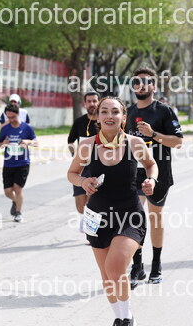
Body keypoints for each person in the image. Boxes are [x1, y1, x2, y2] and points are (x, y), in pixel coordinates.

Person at [68, 96, 158, 326]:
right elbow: (72, 173)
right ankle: (119, 317)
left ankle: (127, 318)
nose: (110, 115)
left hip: (129, 216)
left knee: (115, 267)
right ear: (97, 117)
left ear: (123, 117)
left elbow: (151, 165)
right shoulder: (87, 146)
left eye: (115, 111)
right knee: (107, 276)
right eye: (104, 111)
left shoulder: (134, 143)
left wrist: (151, 180)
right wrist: (83, 182)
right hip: (97, 217)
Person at [125, 67, 183, 288]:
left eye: (146, 81)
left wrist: (153, 134)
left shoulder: (164, 111)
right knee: (134, 217)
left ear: (154, 86)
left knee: (155, 217)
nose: (141, 85)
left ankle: (156, 265)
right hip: (133, 173)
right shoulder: (128, 112)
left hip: (158, 173)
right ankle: (137, 266)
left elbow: (178, 142)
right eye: (137, 82)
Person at [0, 104, 38, 222]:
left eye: (13, 117)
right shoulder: (5, 128)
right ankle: (15, 201)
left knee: (18, 188)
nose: (11, 120)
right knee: (8, 191)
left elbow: (36, 142)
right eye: (8, 117)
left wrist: (28, 142)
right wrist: (4, 143)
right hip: (8, 163)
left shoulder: (27, 128)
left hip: (23, 163)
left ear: (18, 114)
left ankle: (18, 213)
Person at [67, 92, 100, 233]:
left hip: (97, 166)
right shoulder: (79, 122)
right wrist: (74, 152)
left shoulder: (103, 122)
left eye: (94, 101)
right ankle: (85, 218)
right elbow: (70, 141)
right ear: (85, 104)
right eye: (89, 101)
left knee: (93, 199)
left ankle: (91, 228)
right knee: (80, 204)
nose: (92, 104)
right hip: (81, 167)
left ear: (99, 102)